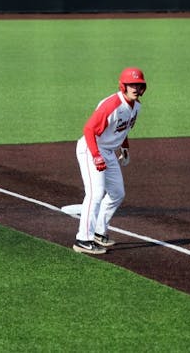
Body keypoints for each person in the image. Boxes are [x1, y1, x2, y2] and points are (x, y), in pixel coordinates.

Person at [73, 67, 147, 255]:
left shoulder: (136, 106)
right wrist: (96, 155)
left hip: (108, 151)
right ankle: (83, 239)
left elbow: (122, 130)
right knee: (95, 193)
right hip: (91, 149)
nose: (135, 88)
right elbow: (89, 129)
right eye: (132, 85)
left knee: (117, 193)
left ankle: (98, 231)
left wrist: (125, 147)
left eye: (139, 85)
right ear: (123, 86)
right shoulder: (112, 105)